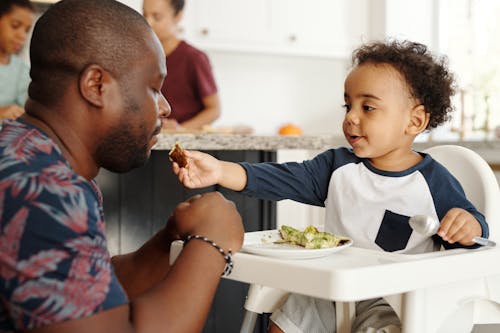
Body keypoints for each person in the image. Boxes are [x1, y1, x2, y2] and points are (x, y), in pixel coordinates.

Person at [172, 40, 490, 333]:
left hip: (392, 299)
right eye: (347, 105)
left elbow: (475, 238)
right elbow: (275, 178)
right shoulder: (337, 167)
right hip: (329, 292)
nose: (351, 117)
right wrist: (218, 170)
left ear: (415, 121)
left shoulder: (434, 181)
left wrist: (468, 224)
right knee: (286, 318)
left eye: (367, 107)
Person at [0, 0, 244, 332]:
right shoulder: (45, 190)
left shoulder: (25, 149)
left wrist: (166, 241)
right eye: (154, 89)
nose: (166, 107)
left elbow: (89, 294)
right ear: (96, 85)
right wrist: (211, 242)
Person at [142, 0, 221, 131]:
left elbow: (214, 109)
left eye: (157, 17)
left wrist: (181, 129)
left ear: (178, 16)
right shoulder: (142, 58)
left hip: (182, 145)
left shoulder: (194, 58)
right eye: (145, 15)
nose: (148, 23)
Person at [0, 0, 34, 120]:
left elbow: (28, 106)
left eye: (26, 30)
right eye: (15, 25)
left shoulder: (22, 70)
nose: (22, 36)